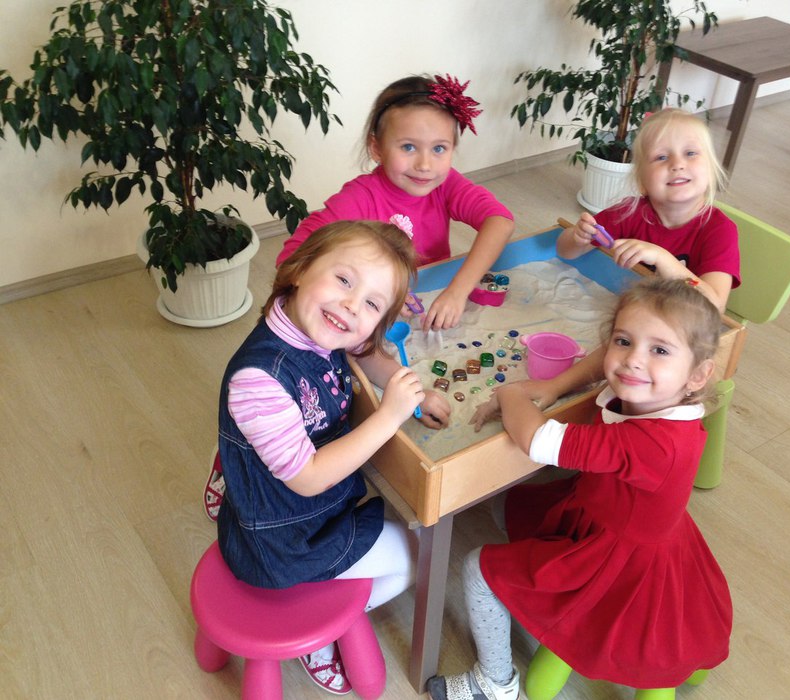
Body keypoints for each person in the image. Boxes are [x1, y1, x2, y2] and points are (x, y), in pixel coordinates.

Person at [428, 278, 733, 700]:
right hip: (613, 520)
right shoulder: (662, 399)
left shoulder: (651, 444)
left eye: (660, 350)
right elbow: (602, 367)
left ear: (698, 375)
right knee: (511, 506)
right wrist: (553, 387)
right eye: (623, 341)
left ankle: (494, 682)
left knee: (478, 569)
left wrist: (510, 392)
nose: (633, 361)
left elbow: (537, 440)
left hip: (616, 558)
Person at [217, 220, 450, 695]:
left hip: (298, 511)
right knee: (415, 559)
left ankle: (321, 598)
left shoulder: (308, 322)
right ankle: (320, 631)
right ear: (300, 269)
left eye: (371, 304)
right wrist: (388, 417)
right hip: (284, 540)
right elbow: (307, 478)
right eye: (344, 280)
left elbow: (363, 352)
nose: (351, 305)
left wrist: (413, 392)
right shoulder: (258, 379)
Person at [277, 73, 515, 331]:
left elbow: (500, 222)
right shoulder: (359, 198)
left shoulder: (446, 183)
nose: (425, 165)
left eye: (439, 149)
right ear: (376, 148)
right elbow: (291, 259)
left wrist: (458, 291)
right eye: (408, 147)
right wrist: (373, 292)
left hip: (428, 295)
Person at [557, 108, 739, 313]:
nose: (677, 164)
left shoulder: (720, 231)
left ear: (711, 171)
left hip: (686, 321)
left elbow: (714, 306)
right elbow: (565, 251)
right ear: (642, 182)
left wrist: (662, 258)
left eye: (690, 153)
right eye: (661, 157)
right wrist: (577, 238)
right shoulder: (628, 213)